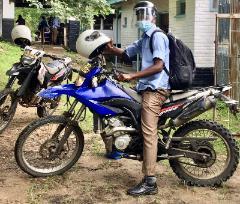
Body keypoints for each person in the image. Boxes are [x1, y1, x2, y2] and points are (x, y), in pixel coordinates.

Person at [104, 1, 170, 196]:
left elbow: (158, 66)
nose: (142, 19)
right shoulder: (145, 37)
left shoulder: (157, 36)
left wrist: (132, 76)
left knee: (148, 131)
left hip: (156, 90)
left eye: (145, 15)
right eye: (139, 15)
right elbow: (126, 53)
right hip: (145, 87)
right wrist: (105, 47)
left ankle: (150, 181)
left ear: (153, 17)